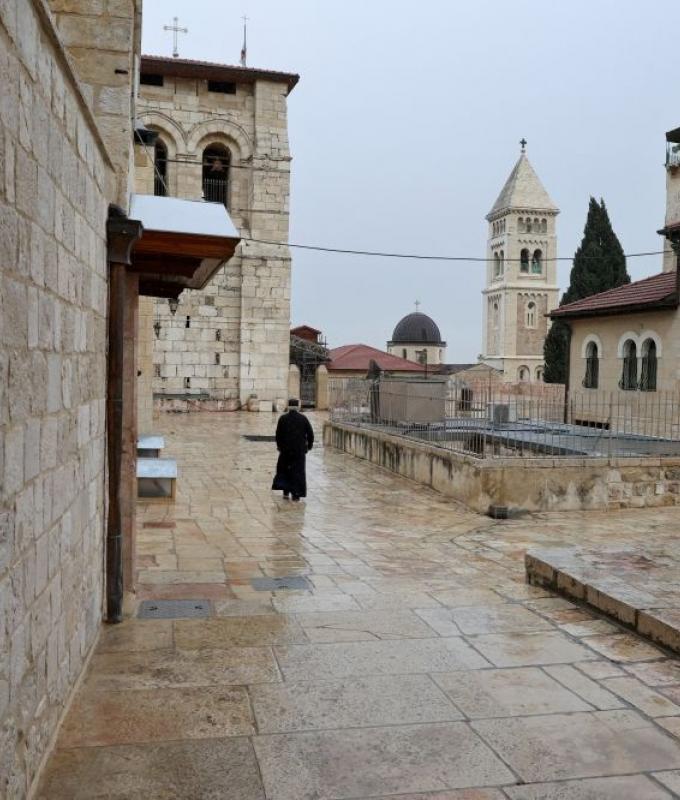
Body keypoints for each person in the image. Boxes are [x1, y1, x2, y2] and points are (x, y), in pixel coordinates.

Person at [272, 399, 314, 501]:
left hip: (285, 451)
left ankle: (286, 491)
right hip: (299, 451)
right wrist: (309, 446)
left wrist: (279, 446)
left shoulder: (283, 418)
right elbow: (310, 434)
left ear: (288, 406)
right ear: (298, 407)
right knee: (298, 472)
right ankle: (296, 494)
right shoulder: (303, 419)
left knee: (285, 470)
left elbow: (278, 435)